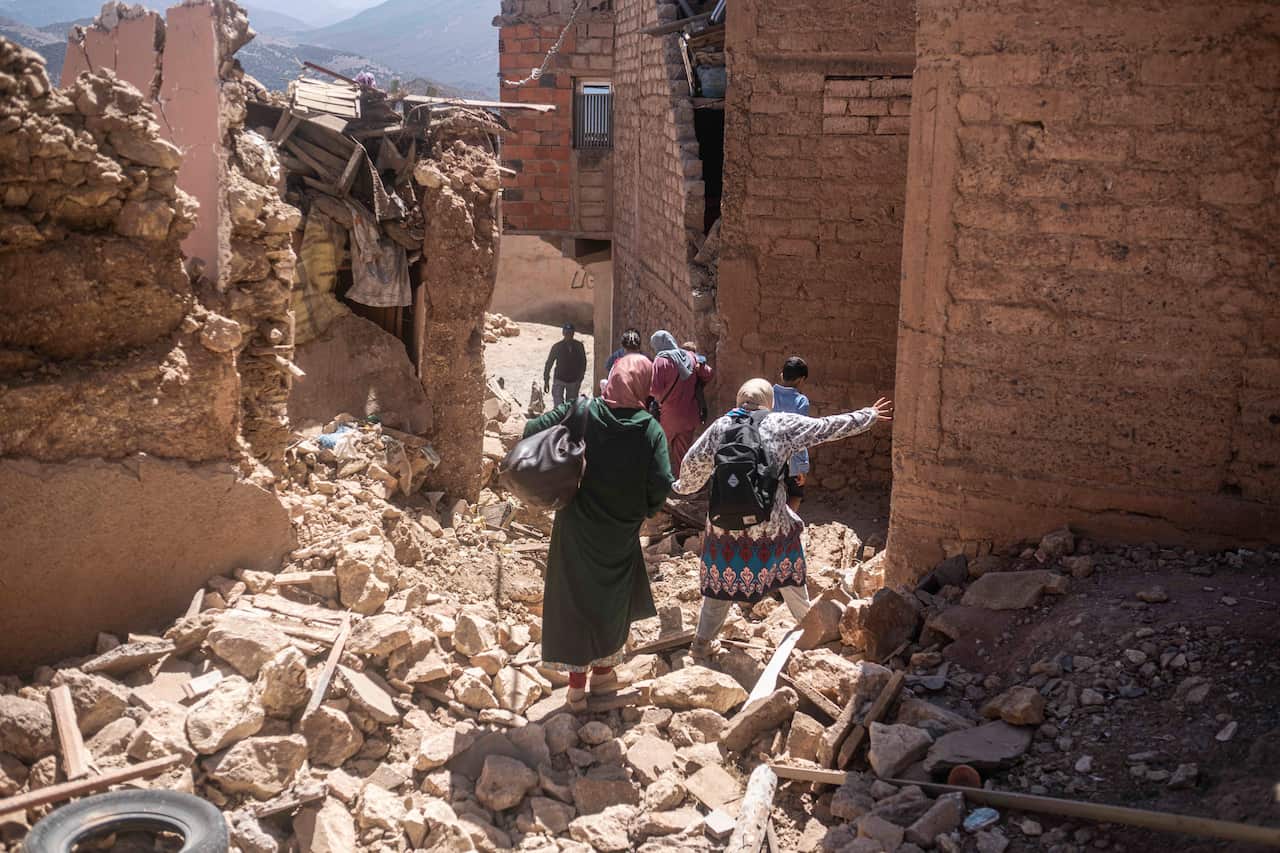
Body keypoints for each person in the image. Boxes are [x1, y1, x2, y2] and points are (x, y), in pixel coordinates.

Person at [672, 378, 892, 660]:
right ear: (769, 402)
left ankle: (702, 643)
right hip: (770, 524)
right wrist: (868, 416)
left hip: (724, 527)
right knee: (790, 575)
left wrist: (677, 488)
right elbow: (826, 428)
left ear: (740, 400)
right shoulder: (781, 424)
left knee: (718, 586)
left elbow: (690, 473)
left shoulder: (720, 427)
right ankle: (813, 631)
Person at [521, 354, 674, 710]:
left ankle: (576, 687)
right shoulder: (649, 428)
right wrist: (644, 510)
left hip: (575, 523)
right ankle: (604, 674)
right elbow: (662, 481)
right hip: (620, 530)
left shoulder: (584, 411)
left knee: (575, 598)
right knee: (611, 599)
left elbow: (531, 431)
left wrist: (564, 456)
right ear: (643, 385)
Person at [649, 330, 713, 478]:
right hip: (689, 415)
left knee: (659, 450)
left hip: (669, 417)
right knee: (683, 454)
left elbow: (655, 390)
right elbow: (708, 373)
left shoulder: (661, 360)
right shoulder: (690, 357)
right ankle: (683, 485)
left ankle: (660, 484)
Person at [772, 357, 811, 512]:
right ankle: (788, 526)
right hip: (790, 458)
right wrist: (801, 467)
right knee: (796, 493)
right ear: (801, 380)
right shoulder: (801, 401)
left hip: (769, 456)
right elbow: (800, 436)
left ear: (782, 375)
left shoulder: (769, 394)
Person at [544, 323, 587, 406]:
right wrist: (546, 379)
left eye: (570, 333)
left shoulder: (579, 346)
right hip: (559, 379)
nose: (568, 335)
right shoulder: (557, 347)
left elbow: (583, 362)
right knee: (558, 406)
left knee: (570, 407)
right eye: (566, 333)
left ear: (573, 333)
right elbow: (549, 363)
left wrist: (581, 377)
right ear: (563, 333)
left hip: (573, 380)